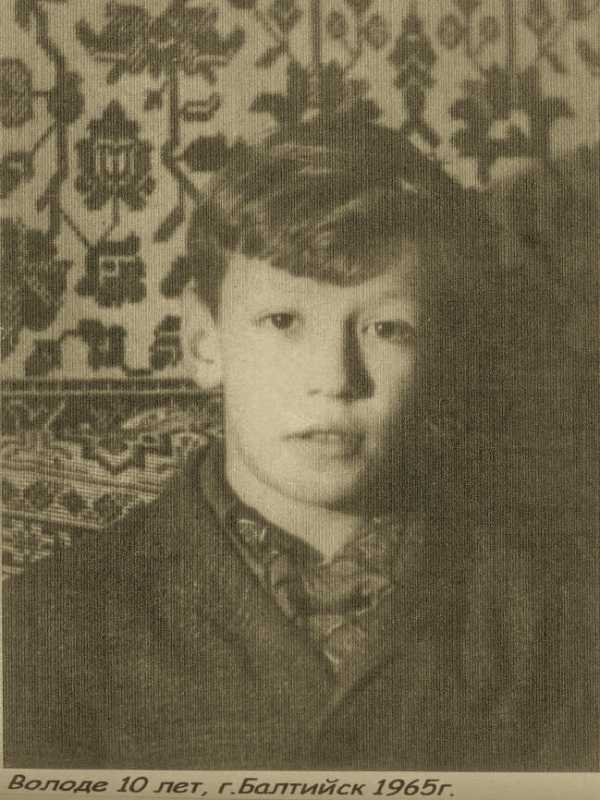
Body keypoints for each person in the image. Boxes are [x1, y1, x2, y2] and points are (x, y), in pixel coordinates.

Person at [3, 121, 598, 770]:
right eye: (283, 321)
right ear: (204, 343)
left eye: (387, 328)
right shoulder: (51, 623)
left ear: (441, 358)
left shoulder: (554, 623)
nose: (335, 378)